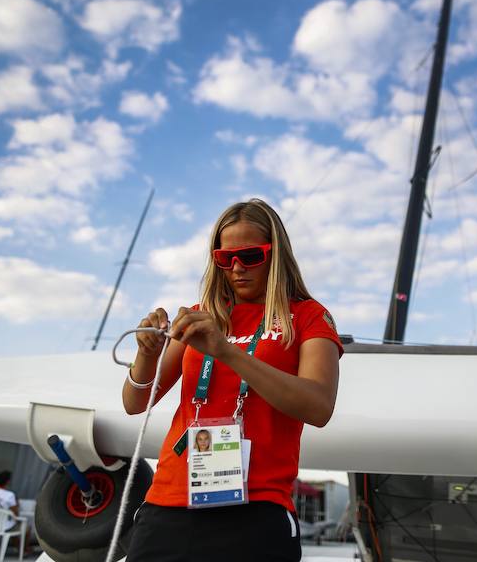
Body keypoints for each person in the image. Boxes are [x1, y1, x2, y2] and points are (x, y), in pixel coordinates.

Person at [122, 198, 343, 562]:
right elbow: (134, 403)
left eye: (251, 256)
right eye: (225, 259)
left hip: (257, 507)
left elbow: (319, 406)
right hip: (169, 502)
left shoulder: (308, 316)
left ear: (276, 254)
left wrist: (226, 351)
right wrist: (146, 353)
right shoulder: (200, 316)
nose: (237, 267)